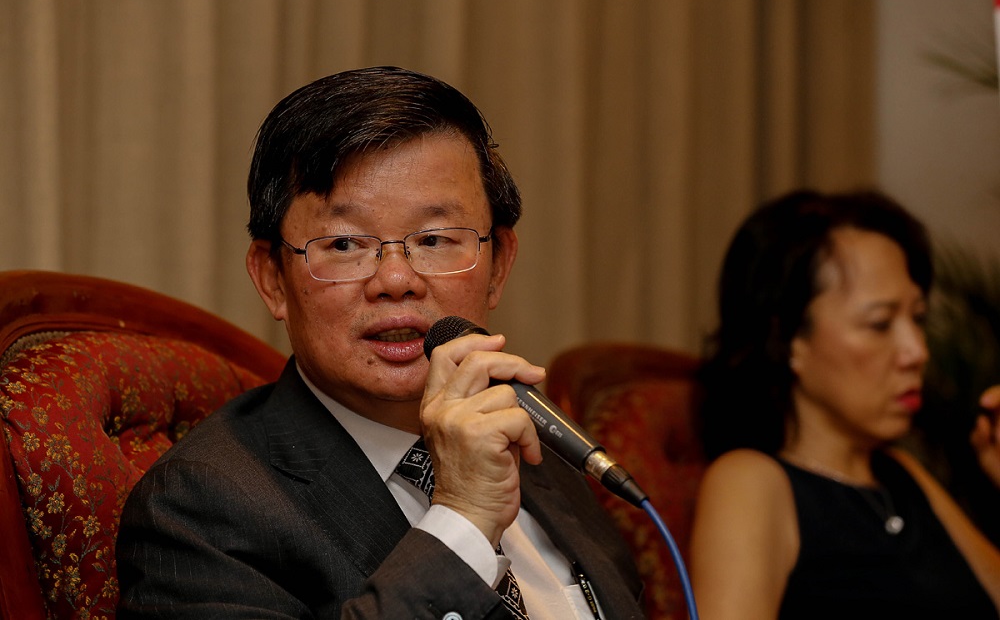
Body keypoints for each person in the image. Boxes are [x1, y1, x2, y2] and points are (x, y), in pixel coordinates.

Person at [115, 66, 644, 619]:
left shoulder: (537, 454)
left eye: (436, 239)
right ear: (272, 278)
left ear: (499, 266)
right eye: (344, 243)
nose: (396, 279)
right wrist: (462, 520)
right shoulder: (204, 510)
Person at [689, 189, 1000, 619]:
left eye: (918, 318)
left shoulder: (901, 475)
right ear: (790, 341)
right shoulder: (751, 482)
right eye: (879, 324)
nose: (917, 351)